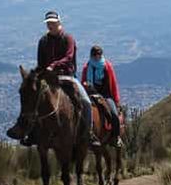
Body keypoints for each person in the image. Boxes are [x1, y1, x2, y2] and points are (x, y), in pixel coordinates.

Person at [21, 10, 100, 147]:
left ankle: (89, 133)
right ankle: (31, 133)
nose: (50, 25)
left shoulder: (68, 39)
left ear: (58, 22)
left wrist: (53, 65)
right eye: (48, 23)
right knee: (32, 98)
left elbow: (69, 57)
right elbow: (41, 62)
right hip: (48, 78)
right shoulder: (43, 41)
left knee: (86, 102)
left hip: (67, 76)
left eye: (52, 23)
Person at [81, 45, 123, 147]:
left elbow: (113, 84)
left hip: (105, 95)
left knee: (113, 114)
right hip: (90, 94)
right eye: (94, 55)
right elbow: (83, 81)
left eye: (98, 55)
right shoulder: (87, 67)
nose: (96, 57)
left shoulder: (107, 66)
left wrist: (116, 100)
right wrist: (86, 85)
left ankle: (116, 137)